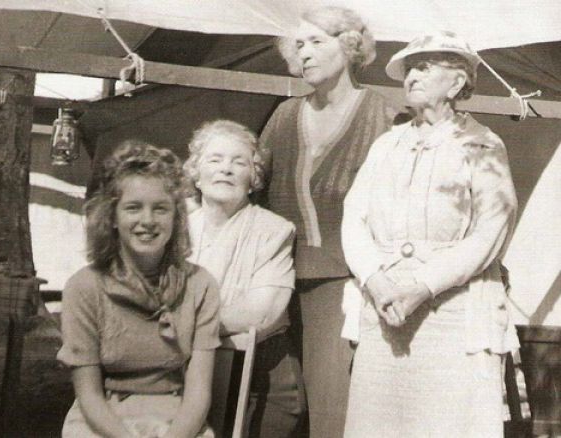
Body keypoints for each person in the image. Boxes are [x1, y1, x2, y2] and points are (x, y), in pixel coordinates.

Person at [341, 31, 519, 437]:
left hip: (452, 315)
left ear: (456, 82)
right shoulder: (386, 145)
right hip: (385, 307)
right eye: (408, 70)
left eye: (423, 68)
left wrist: (423, 285)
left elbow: (491, 232)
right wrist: (376, 281)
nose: (411, 77)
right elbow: (354, 218)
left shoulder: (482, 145)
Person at [259, 6, 395, 437]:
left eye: (317, 42)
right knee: (273, 408)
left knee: (331, 411)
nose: (304, 53)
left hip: (344, 287)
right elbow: (252, 187)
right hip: (275, 282)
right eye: (298, 45)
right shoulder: (284, 115)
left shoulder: (383, 116)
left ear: (350, 46)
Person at [57, 141, 220, 438]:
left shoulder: (200, 285)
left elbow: (198, 394)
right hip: (103, 419)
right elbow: (89, 395)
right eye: (133, 208)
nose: (148, 221)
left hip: (177, 418)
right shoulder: (83, 287)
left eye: (160, 209)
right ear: (112, 217)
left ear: (176, 218)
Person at [184, 120, 305, 438]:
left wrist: (181, 326)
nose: (226, 169)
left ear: (253, 180)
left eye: (239, 162)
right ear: (196, 174)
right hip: (187, 369)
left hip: (259, 379)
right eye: (215, 159)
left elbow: (260, 311)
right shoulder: (175, 230)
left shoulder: (274, 231)